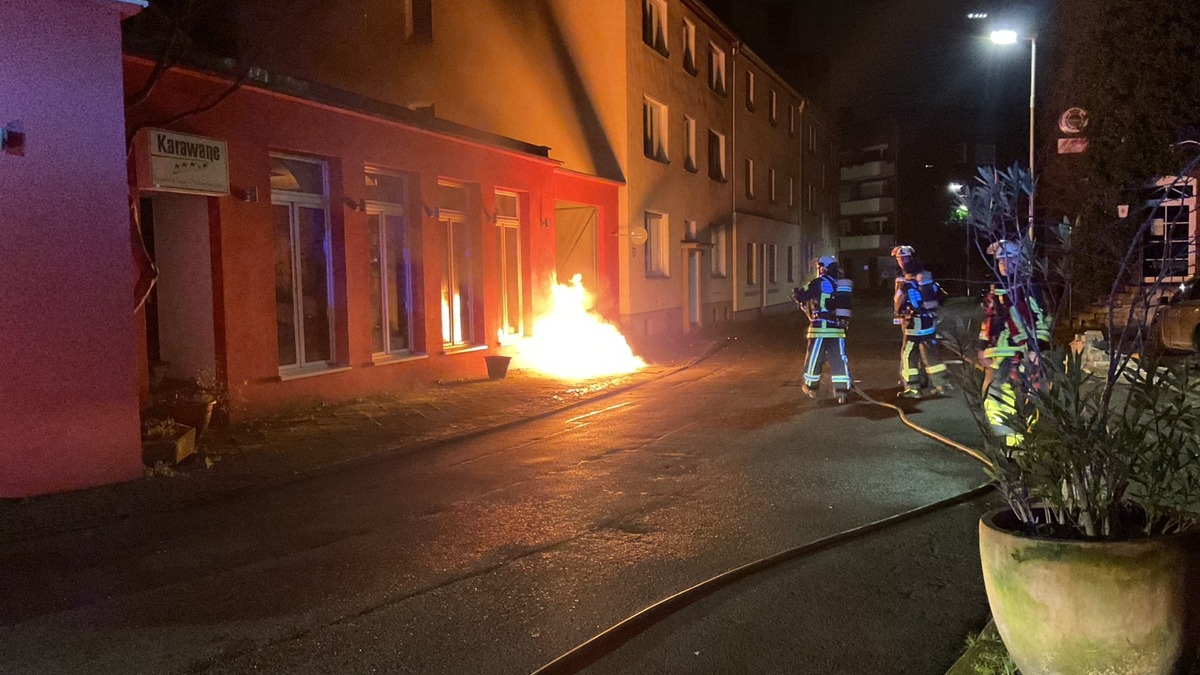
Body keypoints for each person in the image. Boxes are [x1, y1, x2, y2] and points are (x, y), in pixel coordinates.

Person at [978, 239, 1052, 445]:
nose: (1003, 264)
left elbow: (1041, 318)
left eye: (1008, 259)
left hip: (1021, 351)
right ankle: (1006, 444)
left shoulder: (1028, 288)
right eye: (1000, 260)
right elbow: (989, 321)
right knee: (993, 398)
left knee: (1019, 396)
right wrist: (982, 347)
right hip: (998, 353)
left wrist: (1037, 349)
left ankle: (1017, 445)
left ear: (1019, 261)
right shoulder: (997, 289)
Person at [891, 245, 952, 398]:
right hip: (928, 322)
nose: (901, 261)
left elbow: (899, 301)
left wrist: (900, 314)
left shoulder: (905, 280)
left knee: (909, 354)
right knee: (930, 352)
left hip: (914, 324)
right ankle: (941, 384)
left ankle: (912, 387)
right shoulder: (926, 276)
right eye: (900, 258)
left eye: (903, 258)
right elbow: (940, 297)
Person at [794, 255, 853, 404]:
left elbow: (802, 295)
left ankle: (811, 387)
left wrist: (798, 293)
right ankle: (842, 391)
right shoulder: (840, 284)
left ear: (823, 268)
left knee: (815, 358)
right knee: (839, 358)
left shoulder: (817, 283)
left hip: (820, 327)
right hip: (838, 329)